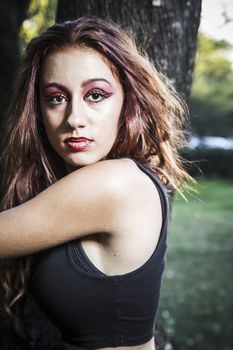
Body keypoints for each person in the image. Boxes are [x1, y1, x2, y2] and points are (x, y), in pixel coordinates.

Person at [0, 16, 191, 350]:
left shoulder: (116, 183)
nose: (75, 118)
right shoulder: (120, 178)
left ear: (126, 101)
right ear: (39, 112)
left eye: (96, 95)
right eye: (56, 98)